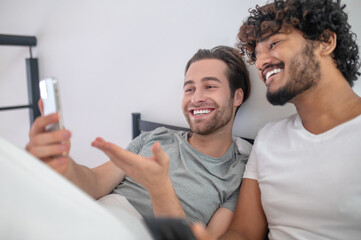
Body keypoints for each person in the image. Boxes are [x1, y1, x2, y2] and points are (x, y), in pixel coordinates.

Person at [26, 45, 252, 238]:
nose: (195, 98)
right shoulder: (156, 137)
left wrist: (159, 188)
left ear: (237, 97)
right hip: (95, 217)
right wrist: (64, 164)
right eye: (189, 88)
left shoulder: (238, 173)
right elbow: (94, 183)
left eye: (210, 86)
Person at [193, 0, 361, 239]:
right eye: (256, 55)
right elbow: (243, 232)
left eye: (274, 43)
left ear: (325, 41)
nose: (260, 63)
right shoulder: (268, 138)